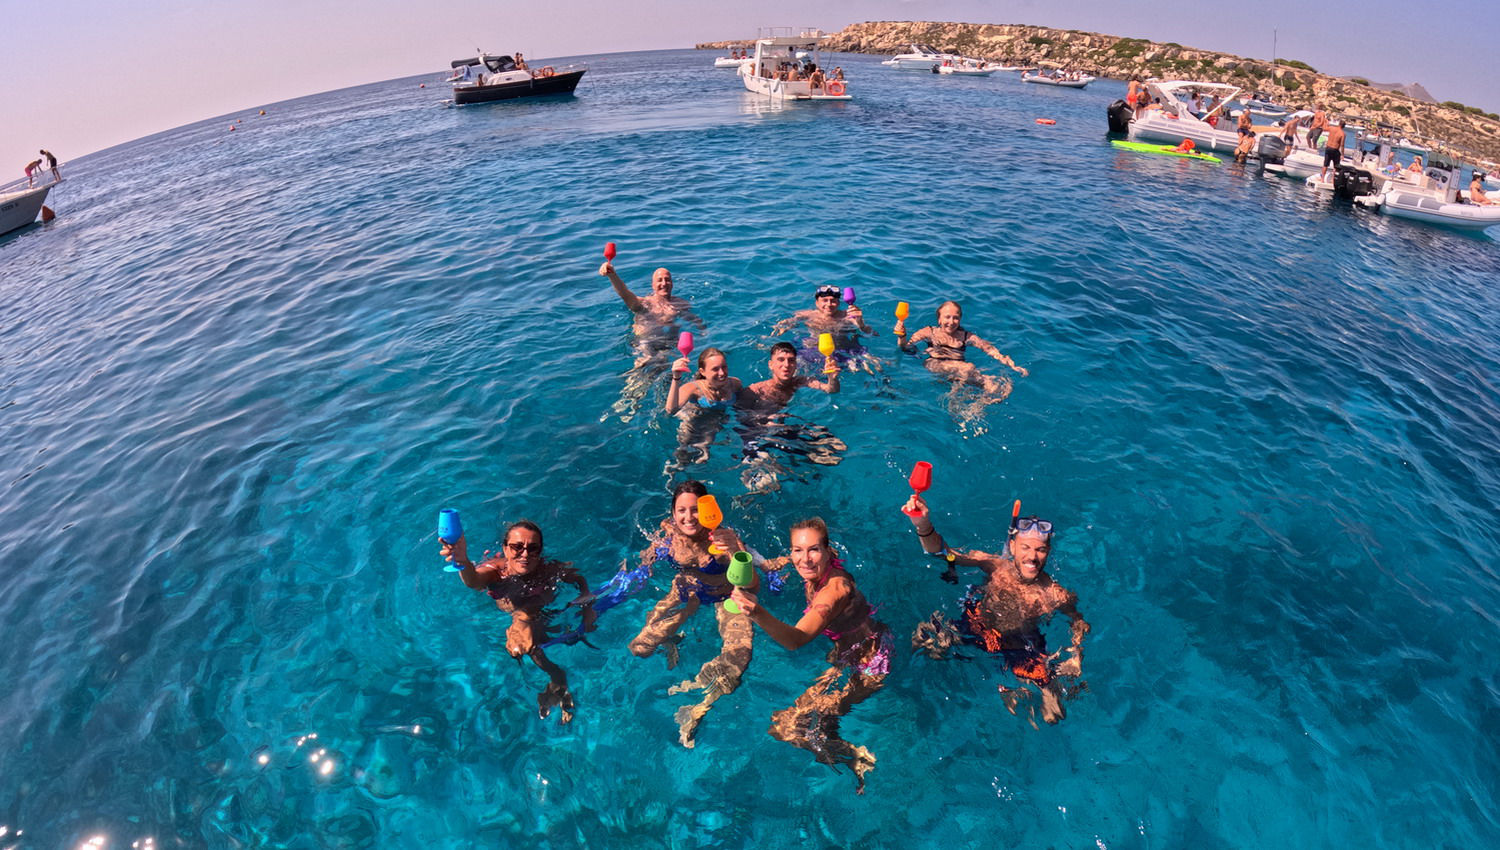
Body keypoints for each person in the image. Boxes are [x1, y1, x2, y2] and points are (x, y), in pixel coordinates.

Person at [729, 517, 890, 793]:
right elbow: (771, 564)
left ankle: (855, 755)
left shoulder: (834, 591)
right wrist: (737, 551)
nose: (804, 559)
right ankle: (842, 748)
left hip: (869, 666)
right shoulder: (812, 567)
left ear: (829, 551)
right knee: (800, 723)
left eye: (813, 549)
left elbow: (796, 640)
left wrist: (756, 612)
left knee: (785, 728)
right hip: (846, 656)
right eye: (797, 550)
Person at [904, 495, 1089, 725]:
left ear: (1048, 552)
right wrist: (922, 523)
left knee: (1054, 713)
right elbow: (942, 553)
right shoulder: (993, 565)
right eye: (1026, 547)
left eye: (1040, 549)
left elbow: (1079, 623)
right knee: (922, 639)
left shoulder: (1055, 594)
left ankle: (1017, 692)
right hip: (973, 626)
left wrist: (1076, 655)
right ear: (1012, 546)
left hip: (1019, 646)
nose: (1032, 556)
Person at [628, 480, 770, 746]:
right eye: (681, 510)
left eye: (695, 510)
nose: (688, 517)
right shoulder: (669, 531)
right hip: (687, 591)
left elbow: (754, 586)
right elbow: (650, 554)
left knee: (738, 657)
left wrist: (735, 551)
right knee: (640, 647)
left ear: (708, 511)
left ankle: (699, 707)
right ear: (673, 513)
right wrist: (644, 565)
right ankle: (672, 639)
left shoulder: (724, 539)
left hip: (726, 596)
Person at [440, 520, 594, 724]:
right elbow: (474, 580)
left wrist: (587, 604)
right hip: (518, 613)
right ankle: (557, 677)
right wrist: (463, 562)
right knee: (524, 638)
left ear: (540, 551)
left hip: (537, 609)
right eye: (517, 547)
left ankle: (557, 678)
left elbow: (579, 579)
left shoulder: (549, 570)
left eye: (533, 548)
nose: (525, 554)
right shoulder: (496, 572)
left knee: (530, 634)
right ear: (505, 548)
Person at [599, 259, 705, 421]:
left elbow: (691, 318)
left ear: (672, 283)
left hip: (669, 344)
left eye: (667, 279)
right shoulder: (643, 304)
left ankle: (669, 407)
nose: (664, 283)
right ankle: (629, 400)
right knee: (646, 366)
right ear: (653, 285)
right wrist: (612, 275)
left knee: (671, 373)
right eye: (660, 280)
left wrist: (702, 330)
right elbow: (624, 293)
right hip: (646, 344)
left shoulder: (680, 303)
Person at [735, 342, 844, 491]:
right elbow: (739, 420)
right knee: (765, 482)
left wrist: (833, 378)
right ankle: (754, 473)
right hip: (759, 434)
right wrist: (763, 422)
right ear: (770, 365)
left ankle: (803, 460)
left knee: (837, 447)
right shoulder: (755, 391)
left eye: (791, 360)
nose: (786, 365)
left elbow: (831, 390)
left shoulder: (799, 382)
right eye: (780, 360)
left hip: (783, 428)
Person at [895, 300, 1027, 421]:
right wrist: (902, 334)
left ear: (960, 320)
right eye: (947, 317)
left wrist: (1013, 366)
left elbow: (989, 349)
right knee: (968, 367)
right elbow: (905, 346)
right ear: (939, 319)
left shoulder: (965, 336)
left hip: (960, 371)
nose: (951, 321)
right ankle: (955, 398)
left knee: (998, 388)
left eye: (955, 318)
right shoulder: (930, 332)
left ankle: (974, 409)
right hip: (934, 365)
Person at [665, 347, 744, 470]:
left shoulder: (735, 384)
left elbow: (742, 406)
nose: (722, 373)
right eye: (715, 369)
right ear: (702, 372)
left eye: (724, 367)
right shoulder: (693, 388)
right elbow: (671, 410)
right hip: (694, 419)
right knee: (683, 457)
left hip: (717, 420)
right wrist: (676, 378)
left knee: (707, 451)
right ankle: (672, 472)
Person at [772, 284, 879, 372]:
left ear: (838, 303)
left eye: (833, 300)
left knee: (874, 365)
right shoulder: (807, 315)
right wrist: (785, 326)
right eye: (825, 300)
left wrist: (860, 323)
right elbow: (791, 321)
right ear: (817, 303)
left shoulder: (848, 316)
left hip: (842, 348)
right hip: (813, 347)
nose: (829, 304)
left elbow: (872, 333)